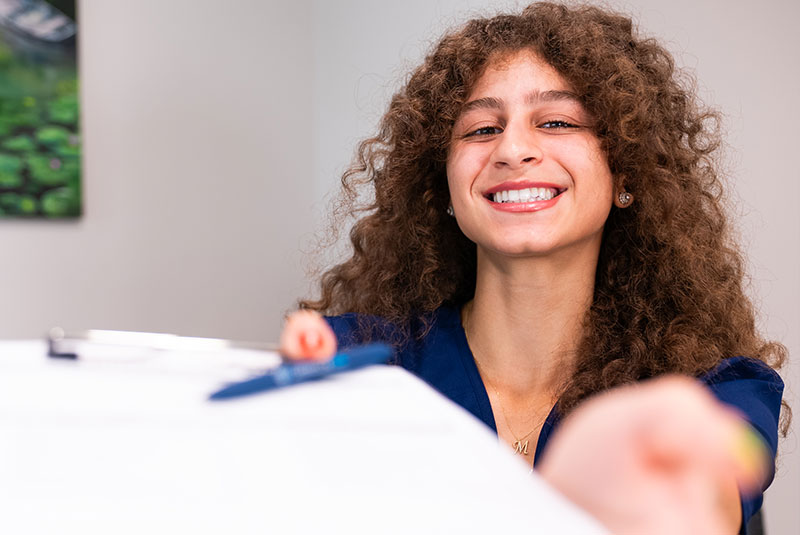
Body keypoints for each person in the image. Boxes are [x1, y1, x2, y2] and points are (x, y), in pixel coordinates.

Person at [279, 3, 787, 533]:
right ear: (445, 187)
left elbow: (704, 509)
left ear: (624, 175)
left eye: (557, 122)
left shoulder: (721, 391)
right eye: (480, 130)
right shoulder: (354, 363)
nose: (513, 148)